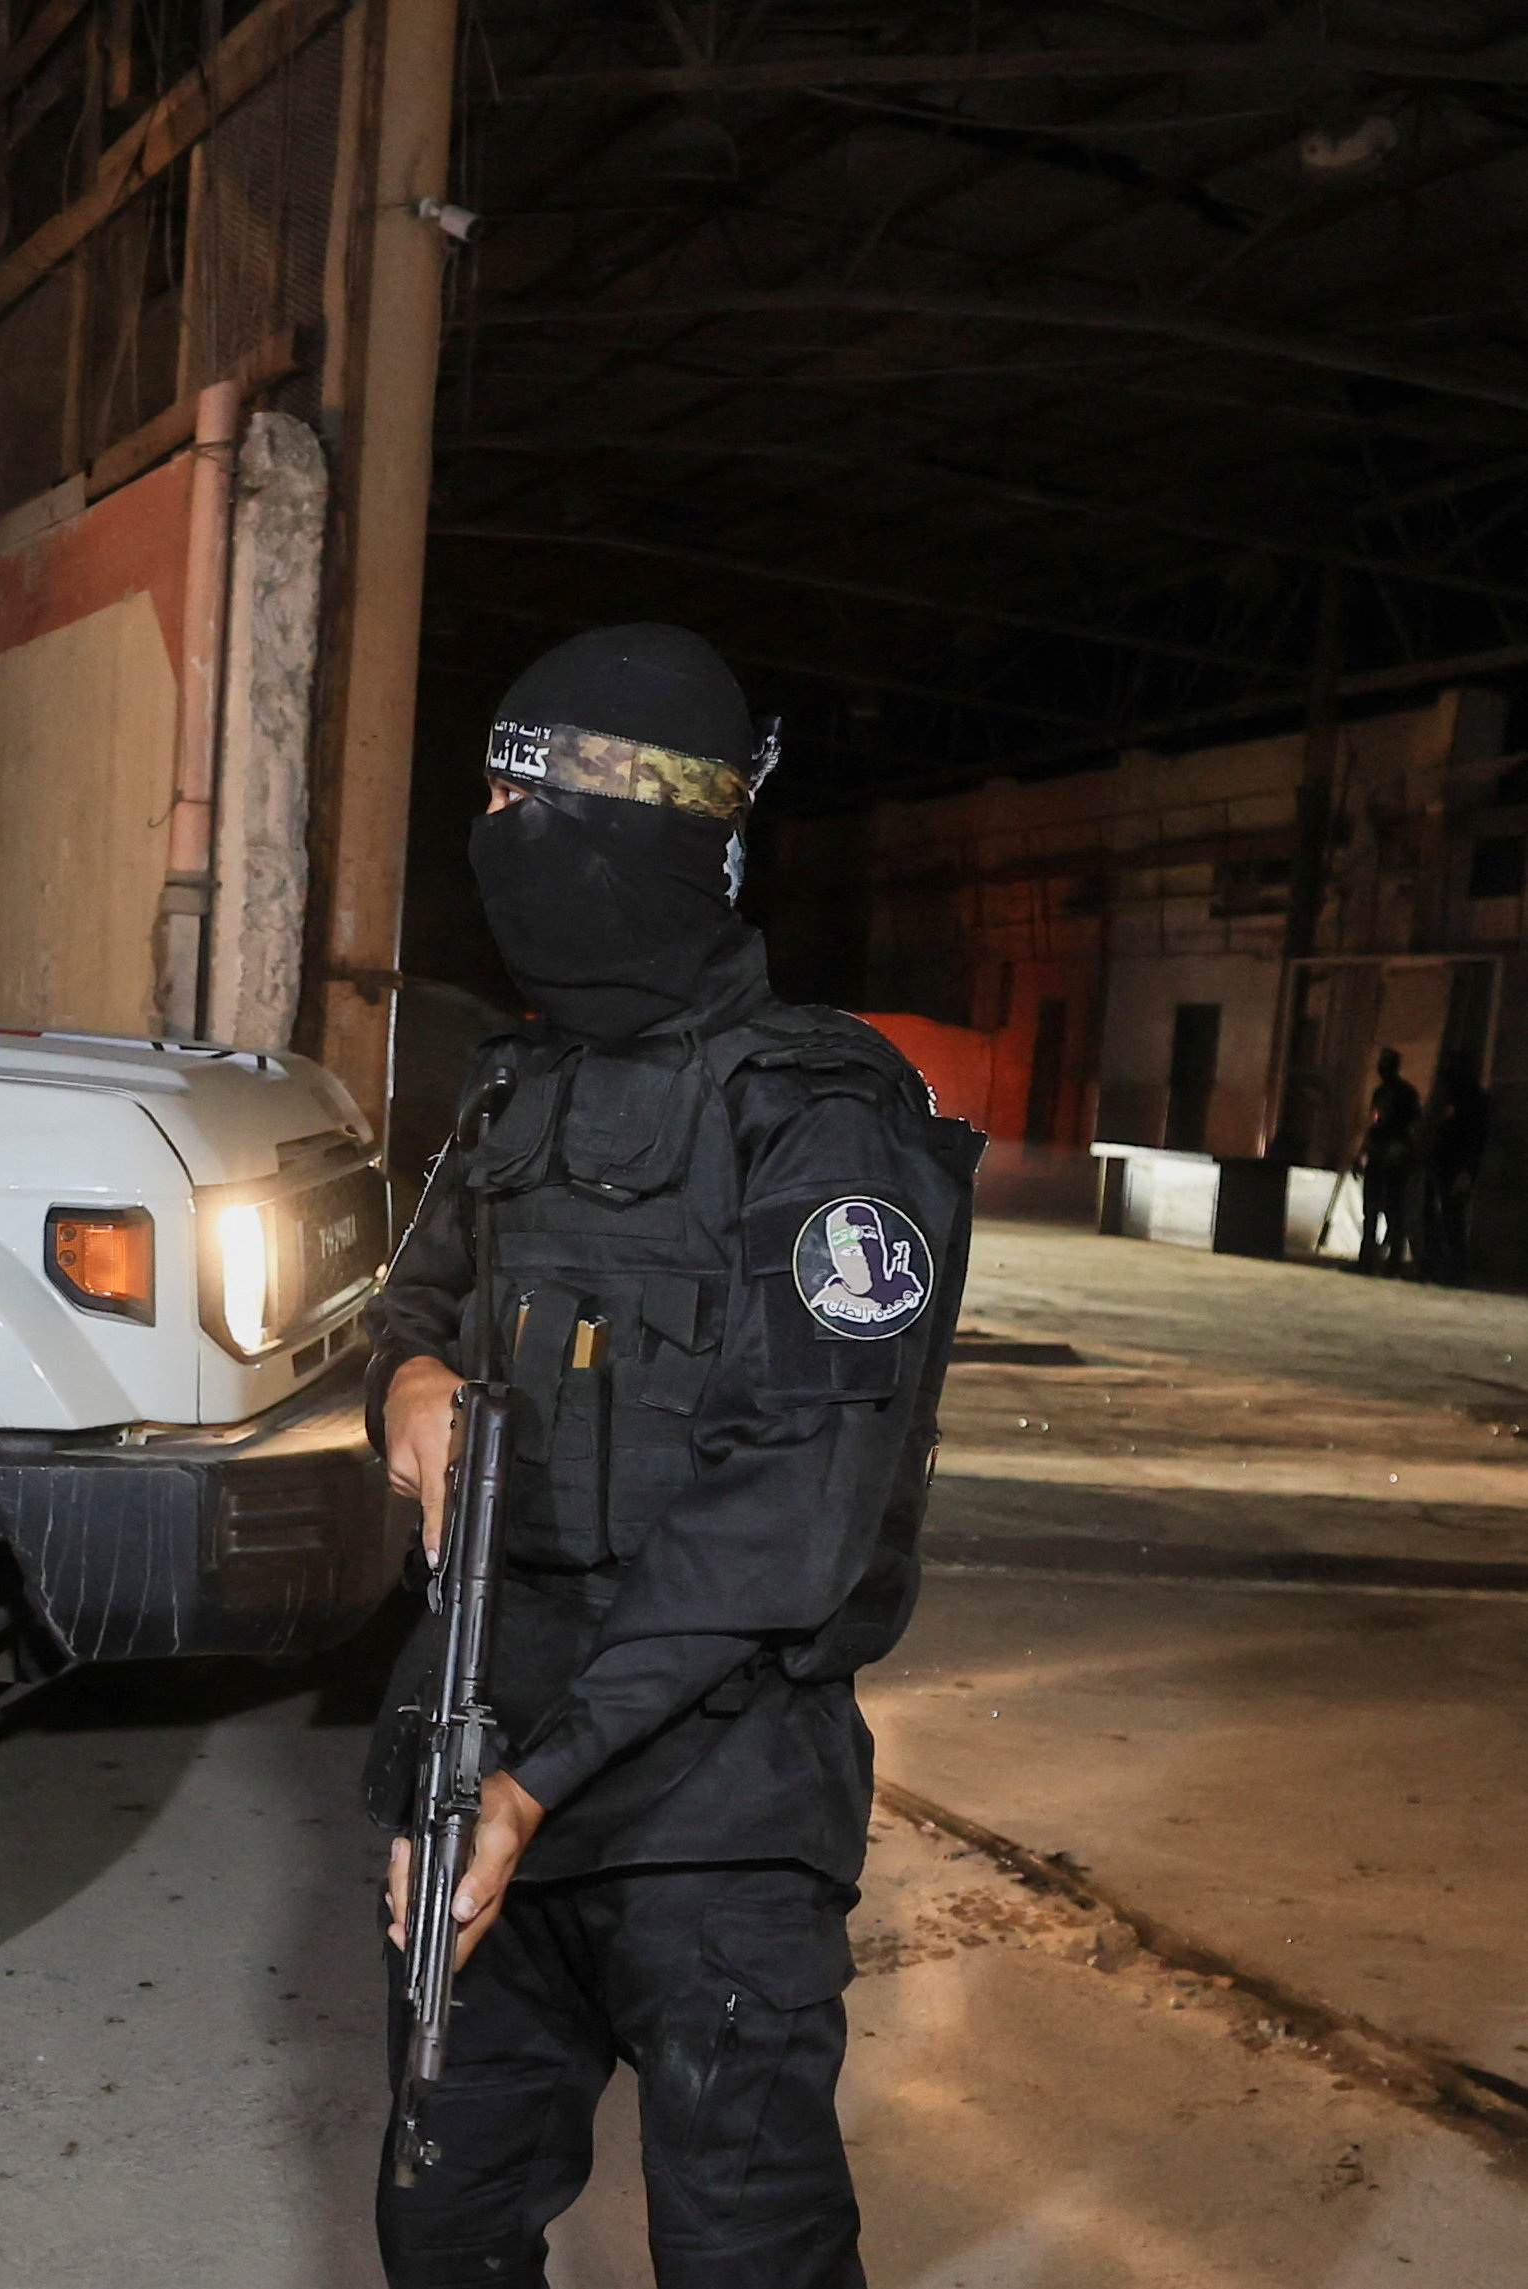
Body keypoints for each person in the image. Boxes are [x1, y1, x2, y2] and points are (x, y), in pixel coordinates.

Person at [361, 623, 979, 2289]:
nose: (490, 831)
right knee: (439, 2219)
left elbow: (788, 1518)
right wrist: (409, 1376)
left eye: (522, 793)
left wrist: (530, 1783)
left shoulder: (820, 1119)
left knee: (740, 2247)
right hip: (486, 1756)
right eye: (482, 795)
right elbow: (407, 1299)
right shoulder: (511, 1091)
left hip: (713, 1802)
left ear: (656, 822)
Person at [1425, 1049, 1491, 1285]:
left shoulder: (1474, 1100)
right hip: (1441, 1164)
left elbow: (1477, 1140)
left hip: (1457, 1166)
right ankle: (1436, 1267)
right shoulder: (1451, 1097)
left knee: (1453, 1218)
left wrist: (1467, 1172)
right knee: (1436, 1217)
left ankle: (1455, 1270)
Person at [1356, 1047, 1422, 1275]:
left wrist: (1405, 1151)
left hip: (1395, 1156)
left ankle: (1393, 1261)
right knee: (1371, 1209)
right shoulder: (1380, 1092)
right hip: (1378, 1153)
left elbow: (1413, 1125)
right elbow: (1374, 1122)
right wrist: (1363, 1150)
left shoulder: (1406, 1093)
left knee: (1394, 1210)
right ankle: (1367, 1259)